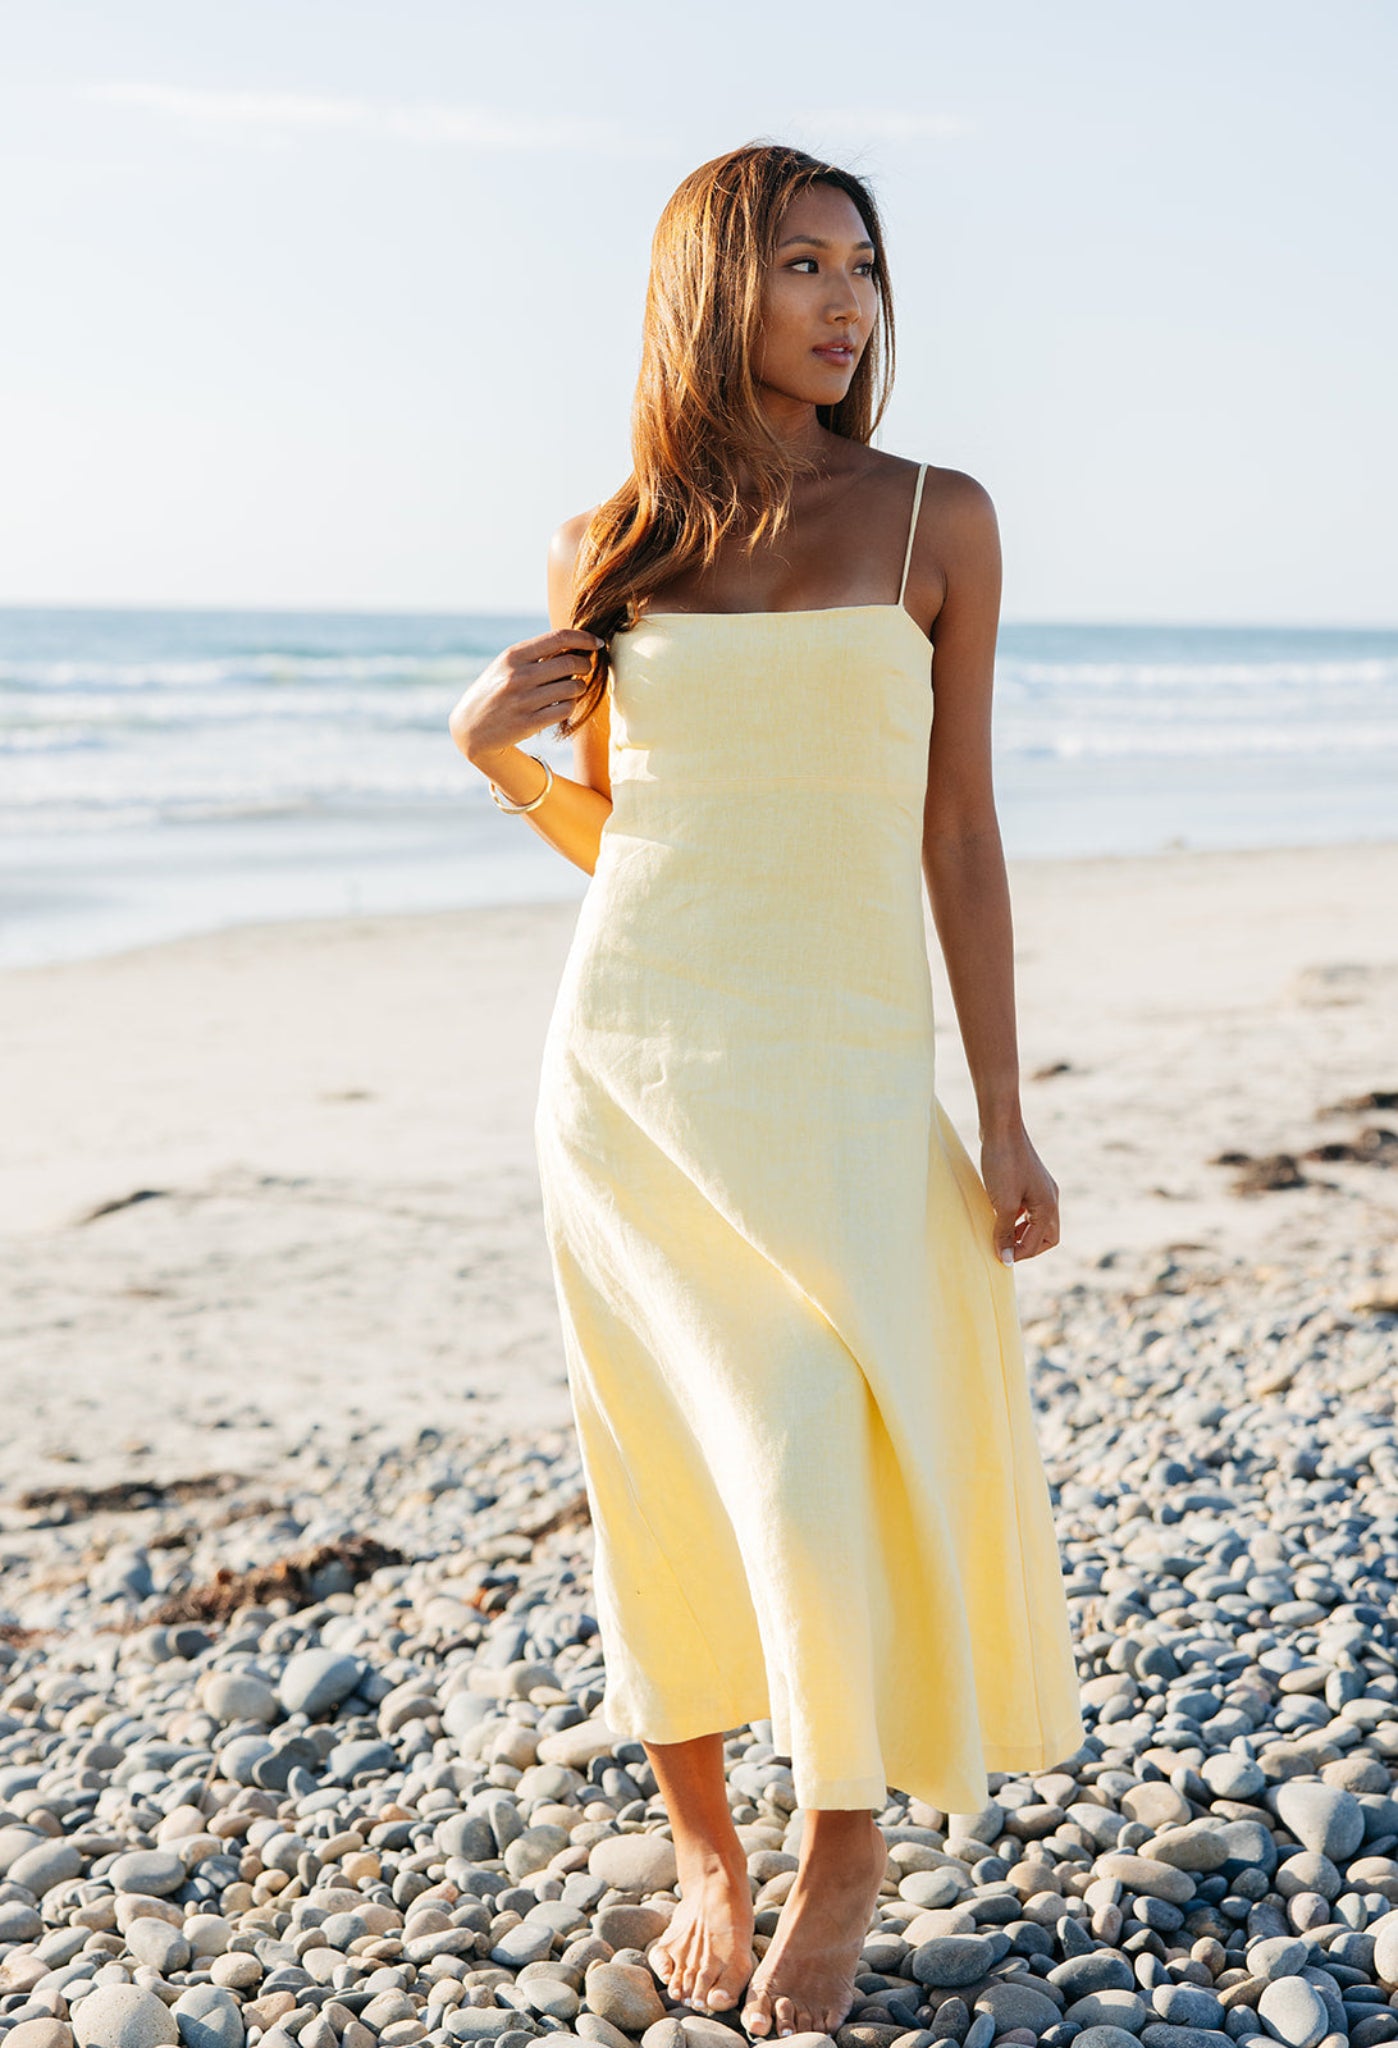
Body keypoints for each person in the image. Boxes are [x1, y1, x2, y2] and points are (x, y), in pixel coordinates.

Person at [448, 141, 1085, 2044]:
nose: (843, 303)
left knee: (812, 1443)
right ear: (708, 287)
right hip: (635, 1075)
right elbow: (645, 847)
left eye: (861, 268)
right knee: (665, 1458)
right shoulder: (608, 544)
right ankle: (708, 1848)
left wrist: (1002, 1107)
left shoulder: (936, 521)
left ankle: (842, 1850)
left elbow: (956, 834)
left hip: (846, 1069)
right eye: (802, 264)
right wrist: (497, 758)